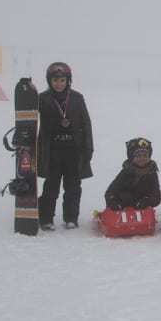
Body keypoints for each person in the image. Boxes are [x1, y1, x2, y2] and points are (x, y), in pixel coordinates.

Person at [37, 62, 93, 231]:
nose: (58, 84)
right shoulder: (42, 99)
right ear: (49, 81)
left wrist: (89, 149)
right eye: (55, 80)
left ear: (68, 80)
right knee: (51, 187)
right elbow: (28, 117)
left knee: (73, 187)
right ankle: (46, 218)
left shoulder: (77, 98)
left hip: (73, 152)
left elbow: (86, 124)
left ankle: (71, 218)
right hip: (52, 152)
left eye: (62, 80)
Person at [104, 137, 161, 211]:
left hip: (142, 209)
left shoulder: (151, 173)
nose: (142, 159)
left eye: (145, 156)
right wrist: (113, 201)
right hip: (122, 208)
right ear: (132, 158)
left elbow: (156, 197)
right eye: (138, 156)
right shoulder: (126, 171)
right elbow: (110, 192)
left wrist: (146, 202)